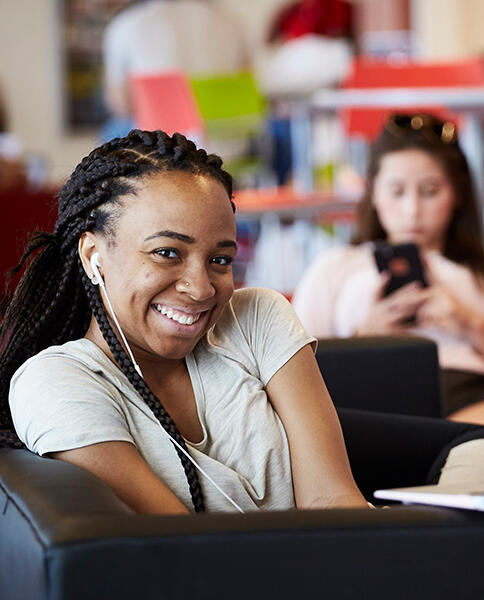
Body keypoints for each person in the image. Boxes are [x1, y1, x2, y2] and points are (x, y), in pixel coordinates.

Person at [0, 129, 368, 514]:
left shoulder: (256, 317)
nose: (201, 288)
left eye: (220, 259)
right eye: (166, 253)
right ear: (94, 255)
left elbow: (335, 504)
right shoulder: (55, 381)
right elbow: (181, 547)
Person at [291, 114, 484, 441]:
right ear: (373, 193)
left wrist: (471, 325)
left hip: (471, 392)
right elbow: (294, 376)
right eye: (397, 191)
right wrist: (366, 341)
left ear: (456, 193)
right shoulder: (335, 267)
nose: (412, 210)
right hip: (365, 399)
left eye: (430, 191)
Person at [101, 0, 249, 140]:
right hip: (230, 144)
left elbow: (121, 105)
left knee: (113, 129)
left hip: (160, 150)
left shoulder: (125, 25)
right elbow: (245, 83)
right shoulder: (230, 22)